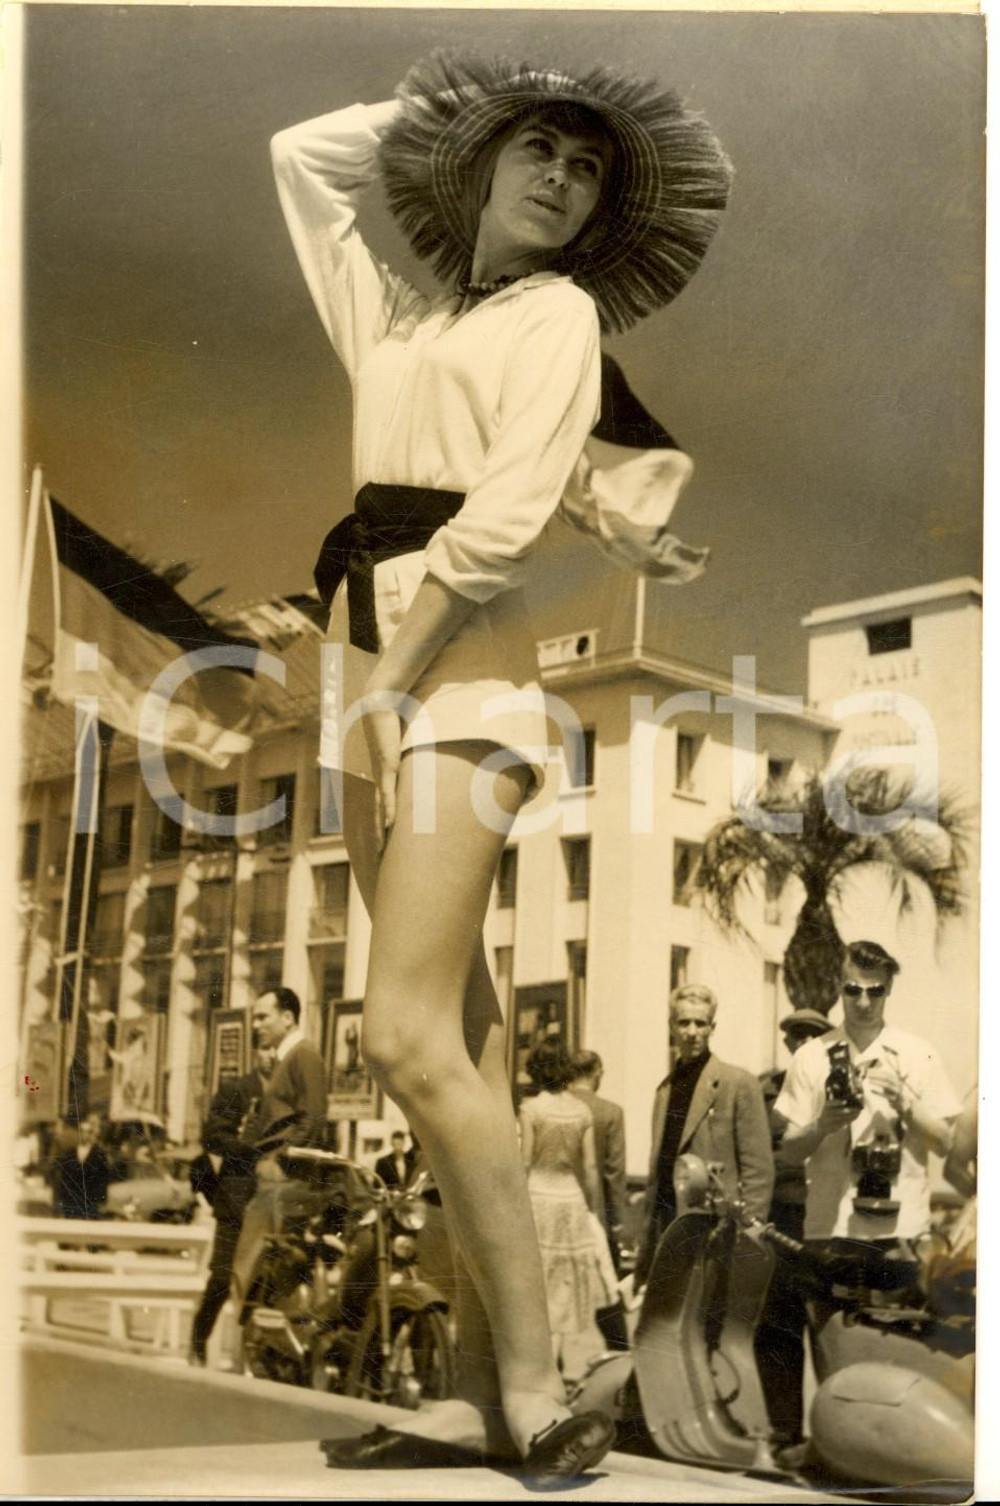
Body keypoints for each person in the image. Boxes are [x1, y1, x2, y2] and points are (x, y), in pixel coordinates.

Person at [270, 49, 729, 1482]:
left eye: (586, 166)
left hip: (459, 682)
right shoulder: (399, 320)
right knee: (455, 1049)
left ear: (599, 215)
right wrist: (439, 112)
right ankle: (477, 1389)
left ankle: (536, 1384)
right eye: (536, 147)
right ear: (480, 164)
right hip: (368, 674)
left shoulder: (560, 315)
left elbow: (512, 514)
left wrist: (391, 693)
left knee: (400, 1032)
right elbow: (300, 158)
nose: (560, 176)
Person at [776, 940, 962, 1282]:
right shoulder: (811, 1057)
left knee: (893, 1333)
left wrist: (906, 1104)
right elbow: (788, 1151)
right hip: (830, 1227)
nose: (863, 1002)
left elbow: (947, 1143)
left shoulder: (919, 1054)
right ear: (838, 988)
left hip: (902, 1230)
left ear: (889, 989)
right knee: (827, 1335)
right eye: (853, 990)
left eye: (875, 991)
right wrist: (822, 1126)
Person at [635, 984, 773, 1287]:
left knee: (710, 1323)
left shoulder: (737, 1083)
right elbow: (659, 1167)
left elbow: (758, 1168)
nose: (692, 1032)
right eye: (684, 1022)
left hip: (716, 1227)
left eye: (701, 1023)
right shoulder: (664, 1090)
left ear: (712, 1027)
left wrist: (751, 1229)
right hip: (669, 1224)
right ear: (672, 1026)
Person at [753, 1007, 833, 1450]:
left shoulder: (842, 1092)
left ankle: (836, 1436)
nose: (802, 1044)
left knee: (829, 1329)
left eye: (813, 1037)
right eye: (795, 1037)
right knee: (776, 1326)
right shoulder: (768, 1093)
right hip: (779, 1220)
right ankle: (784, 1431)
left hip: (826, 1222)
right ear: (787, 1044)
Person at [519, 1041, 620, 1373]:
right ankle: (554, 1365)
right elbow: (590, 1168)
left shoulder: (532, 1109)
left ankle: (545, 1365)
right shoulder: (581, 1112)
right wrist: (591, 1211)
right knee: (563, 1287)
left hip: (539, 1197)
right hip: (571, 1199)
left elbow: (525, 1163)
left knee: (540, 1285)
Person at [228, 989, 327, 1317]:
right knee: (260, 1268)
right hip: (273, 1178)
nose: (256, 1025)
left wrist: (282, 1158)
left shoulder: (304, 1055)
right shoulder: (287, 1059)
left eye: (263, 1017)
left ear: (287, 1017)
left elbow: (312, 1117)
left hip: (283, 1179)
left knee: (255, 1263)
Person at [188, 1045, 275, 1367]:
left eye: (275, 1051)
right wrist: (249, 1150)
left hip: (269, 1201)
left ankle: (247, 1356)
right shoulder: (238, 1089)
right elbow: (212, 1137)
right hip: (235, 1200)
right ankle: (199, 1339)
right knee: (222, 1278)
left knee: (261, 1281)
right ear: (254, 1054)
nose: (271, 1056)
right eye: (265, 1050)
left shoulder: (287, 1095)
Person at [568, 1049, 627, 1268]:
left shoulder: (549, 1108)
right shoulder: (611, 1112)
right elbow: (614, 1172)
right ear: (597, 1073)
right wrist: (618, 1224)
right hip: (595, 1214)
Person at [50, 1114, 115, 1219]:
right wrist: (61, 1200)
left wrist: (102, 1201)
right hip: (72, 1203)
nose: (84, 1135)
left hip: (90, 1202)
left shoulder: (99, 1155)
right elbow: (64, 1178)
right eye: (82, 1132)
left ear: (90, 1134)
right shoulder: (69, 1154)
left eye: (87, 1132)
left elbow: (104, 1179)